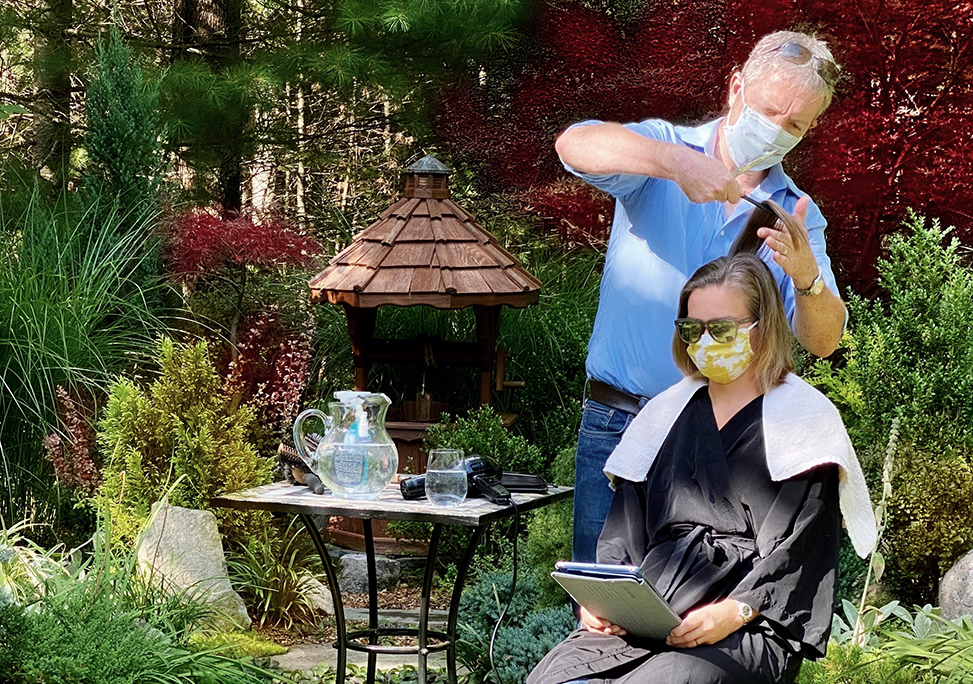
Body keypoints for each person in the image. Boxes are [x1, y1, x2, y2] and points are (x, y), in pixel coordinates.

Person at [559, 30, 850, 563]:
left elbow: (825, 340)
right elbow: (573, 146)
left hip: (722, 441)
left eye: (794, 125)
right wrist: (675, 163)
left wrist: (807, 277)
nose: (777, 130)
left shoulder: (794, 213)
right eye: (769, 111)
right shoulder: (663, 148)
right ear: (736, 87)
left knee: (694, 602)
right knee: (601, 597)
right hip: (618, 424)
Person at [527, 254, 875, 684]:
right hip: (653, 606)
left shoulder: (804, 422)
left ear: (762, 326)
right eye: (693, 329)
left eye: (722, 329)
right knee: (553, 677)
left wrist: (736, 610)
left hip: (746, 623)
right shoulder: (664, 415)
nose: (706, 341)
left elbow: (800, 552)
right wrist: (605, 603)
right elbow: (623, 534)